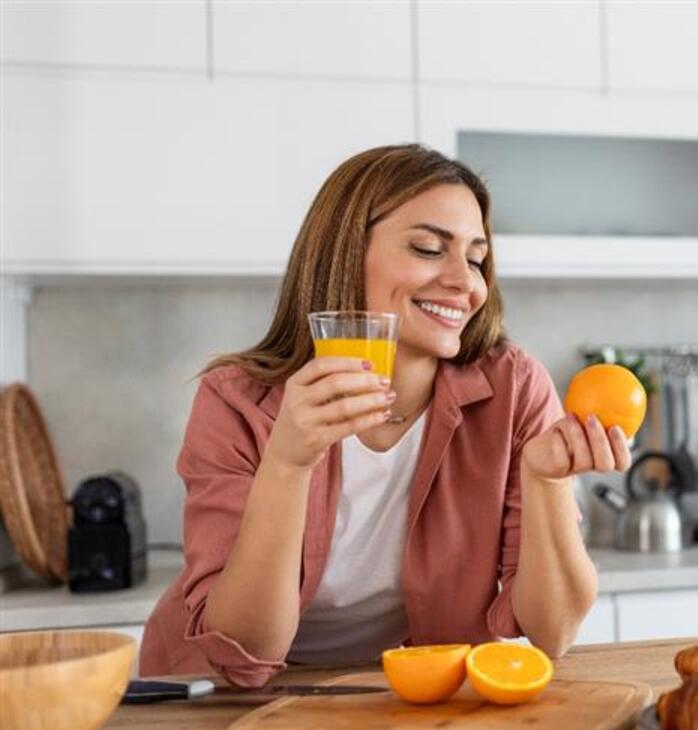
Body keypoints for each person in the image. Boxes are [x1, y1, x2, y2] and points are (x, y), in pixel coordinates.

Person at [140, 145, 630, 687]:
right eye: (427, 249)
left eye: (475, 259)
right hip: (215, 695)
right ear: (346, 253)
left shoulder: (512, 388)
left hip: (392, 691)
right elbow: (245, 653)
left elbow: (554, 631)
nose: (465, 283)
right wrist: (287, 464)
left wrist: (546, 482)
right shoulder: (237, 401)